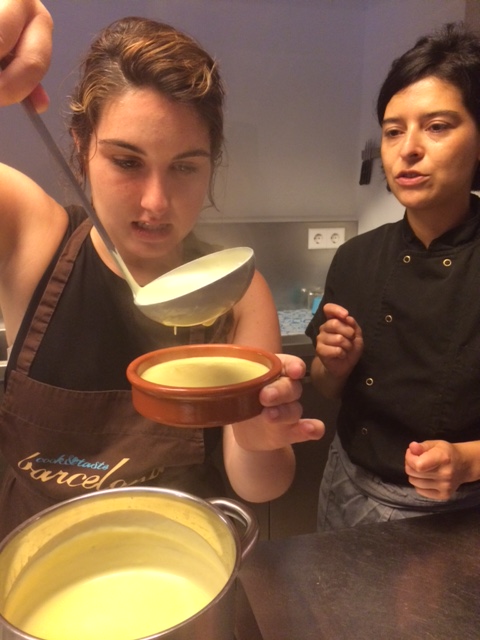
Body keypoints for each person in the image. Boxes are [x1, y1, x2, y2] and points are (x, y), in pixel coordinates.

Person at [0, 0, 325, 539]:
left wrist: (258, 438)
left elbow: (261, 486)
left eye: (184, 167)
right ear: (81, 146)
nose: (156, 202)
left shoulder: (241, 294)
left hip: (177, 558)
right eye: (127, 161)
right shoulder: (29, 235)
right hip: (37, 565)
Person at [307, 22, 480, 531]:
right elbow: (326, 387)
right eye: (393, 130)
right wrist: (335, 364)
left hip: (456, 513)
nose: (408, 148)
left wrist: (468, 460)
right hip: (346, 485)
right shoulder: (356, 257)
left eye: (438, 126)